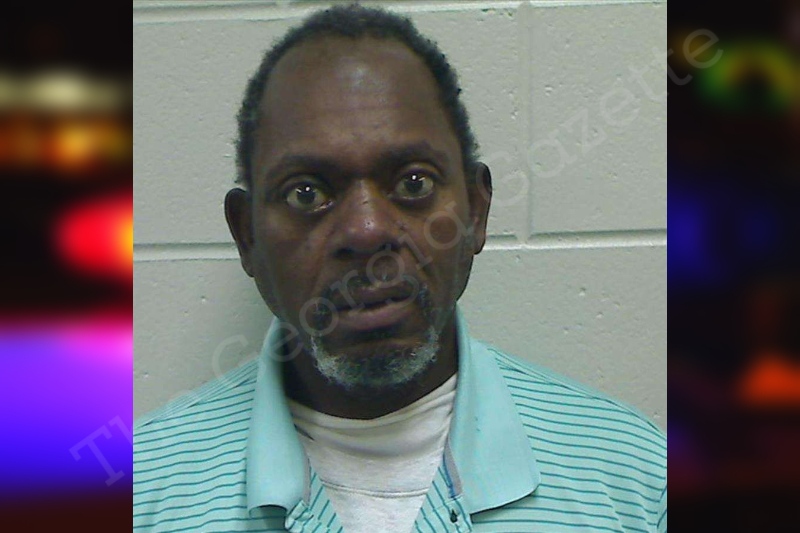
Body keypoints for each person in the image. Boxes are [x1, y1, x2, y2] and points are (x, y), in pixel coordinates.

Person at [133, 4, 666, 532]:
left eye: (414, 183)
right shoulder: (139, 491)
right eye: (306, 193)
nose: (366, 231)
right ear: (246, 235)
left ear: (476, 212)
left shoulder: (638, 483)